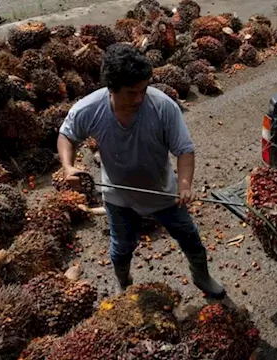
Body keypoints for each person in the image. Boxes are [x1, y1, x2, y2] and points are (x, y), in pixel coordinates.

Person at [57, 44, 225, 298]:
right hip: (118, 196)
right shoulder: (89, 109)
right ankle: (123, 281)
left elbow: (184, 150)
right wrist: (68, 167)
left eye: (143, 90)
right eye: (131, 92)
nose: (139, 99)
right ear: (111, 88)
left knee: (191, 239)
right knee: (121, 247)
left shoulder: (163, 107)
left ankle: (202, 276)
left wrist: (185, 185)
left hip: (164, 193)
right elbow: (66, 136)